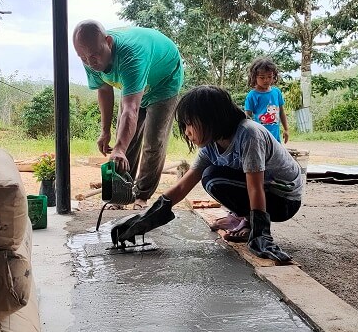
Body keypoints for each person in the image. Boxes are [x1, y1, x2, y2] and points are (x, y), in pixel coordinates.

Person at [111, 85, 304, 263]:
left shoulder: (249, 134)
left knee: (214, 178)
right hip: (264, 193)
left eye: (189, 124)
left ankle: (248, 223)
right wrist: (145, 218)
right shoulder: (210, 146)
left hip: (284, 200)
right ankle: (242, 218)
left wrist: (261, 234)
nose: (186, 132)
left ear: (211, 118)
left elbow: (254, 188)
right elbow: (182, 187)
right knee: (211, 178)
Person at [73, 20, 184, 209]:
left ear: (108, 42)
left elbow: (130, 109)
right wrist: (105, 131)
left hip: (164, 81)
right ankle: (123, 195)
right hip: (136, 84)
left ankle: (142, 195)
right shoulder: (88, 55)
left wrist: (119, 149)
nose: (90, 62)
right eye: (83, 58)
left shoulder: (130, 55)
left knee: (153, 142)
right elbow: (104, 90)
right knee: (124, 141)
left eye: (94, 56)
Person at [244, 57, 289, 144]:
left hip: (275, 137)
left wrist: (286, 129)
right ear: (254, 77)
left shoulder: (276, 92)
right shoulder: (252, 95)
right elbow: (247, 117)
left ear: (274, 76)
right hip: (259, 137)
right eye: (262, 77)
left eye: (269, 76)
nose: (266, 80)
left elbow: (281, 112)